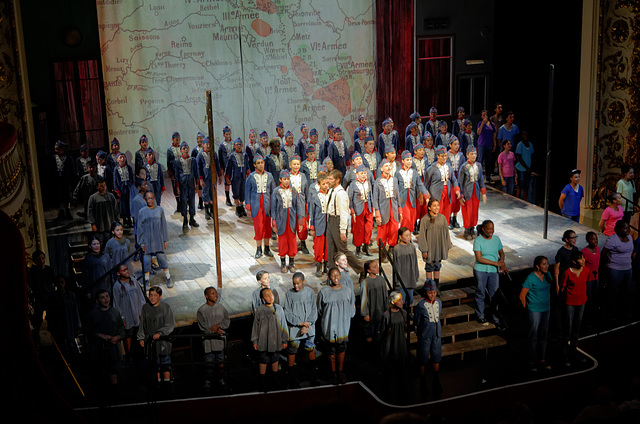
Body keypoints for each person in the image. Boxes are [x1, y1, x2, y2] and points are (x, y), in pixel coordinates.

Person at [317, 267, 355, 384]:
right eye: (333, 276)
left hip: (343, 324)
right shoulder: (324, 292)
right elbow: (320, 310)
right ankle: (333, 372)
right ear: (329, 278)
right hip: (330, 325)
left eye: (338, 275)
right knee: (331, 349)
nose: (336, 278)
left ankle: (340, 370)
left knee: (342, 347)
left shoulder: (347, 290)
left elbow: (351, 306)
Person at [284, 272, 318, 386]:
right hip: (295, 328)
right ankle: (291, 376)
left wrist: (307, 324)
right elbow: (287, 312)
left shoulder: (309, 292)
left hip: (309, 329)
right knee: (292, 350)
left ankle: (313, 375)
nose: (296, 286)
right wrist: (300, 323)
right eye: (294, 284)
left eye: (298, 283)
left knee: (310, 349)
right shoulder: (289, 294)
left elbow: (314, 310)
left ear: (303, 281)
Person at [326, 169, 364, 273]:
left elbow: (344, 213)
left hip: (337, 222)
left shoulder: (341, 194)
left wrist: (343, 230)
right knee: (331, 249)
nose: (328, 181)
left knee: (342, 250)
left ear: (337, 180)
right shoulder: (332, 191)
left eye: (331, 179)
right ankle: (332, 274)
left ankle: (361, 269)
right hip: (331, 220)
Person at [251, 287, 289, 392]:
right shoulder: (260, 310)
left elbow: (283, 325)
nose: (270, 297)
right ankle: (262, 383)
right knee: (263, 360)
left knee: (275, 359)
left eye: (271, 294)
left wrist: (284, 340)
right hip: (263, 340)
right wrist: (255, 340)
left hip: (275, 340)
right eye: (267, 295)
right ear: (263, 299)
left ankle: (275, 380)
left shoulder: (279, 309)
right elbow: (255, 326)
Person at [519, 256, 553, 372]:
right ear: (537, 266)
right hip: (534, 310)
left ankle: (542, 359)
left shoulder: (548, 275)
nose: (547, 266)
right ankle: (531, 361)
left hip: (546, 309)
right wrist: (527, 310)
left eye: (547, 263)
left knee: (543, 335)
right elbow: (522, 296)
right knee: (533, 335)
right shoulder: (531, 278)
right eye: (544, 264)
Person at [87, 289, 125, 388]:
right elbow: (88, 332)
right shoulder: (93, 314)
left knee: (114, 370)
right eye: (102, 297)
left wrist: (118, 337)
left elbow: (121, 327)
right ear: (97, 301)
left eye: (107, 296)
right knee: (101, 372)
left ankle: (114, 391)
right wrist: (101, 335)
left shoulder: (114, 312)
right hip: (99, 349)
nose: (106, 299)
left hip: (113, 348)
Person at [138, 286, 176, 385]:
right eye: (151, 295)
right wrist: (141, 338)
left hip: (163, 341)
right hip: (150, 341)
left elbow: (170, 324)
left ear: (160, 296)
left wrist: (160, 333)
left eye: (155, 295)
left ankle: (167, 383)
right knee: (154, 363)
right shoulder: (145, 308)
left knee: (165, 361)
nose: (152, 298)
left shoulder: (165, 307)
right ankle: (157, 382)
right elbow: (142, 324)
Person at [473, 220, 507, 329]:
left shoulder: (496, 239)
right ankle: (480, 315)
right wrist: (496, 263)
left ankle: (496, 318)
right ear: (483, 229)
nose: (491, 231)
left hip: (493, 271)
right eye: (489, 229)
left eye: (492, 228)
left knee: (495, 295)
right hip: (481, 270)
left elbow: (501, 252)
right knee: (481, 293)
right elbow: (479, 258)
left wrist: (501, 261)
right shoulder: (478, 240)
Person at [558, 250, 588, 366]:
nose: (583, 260)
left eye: (583, 258)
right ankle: (564, 354)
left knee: (576, 328)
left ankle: (573, 352)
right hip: (570, 303)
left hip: (581, 302)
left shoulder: (586, 270)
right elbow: (562, 288)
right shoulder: (567, 272)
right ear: (574, 261)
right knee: (568, 328)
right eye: (581, 258)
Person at [197, 287, 230, 390]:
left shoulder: (220, 307)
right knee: (209, 364)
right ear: (206, 296)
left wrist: (218, 326)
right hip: (209, 342)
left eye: (216, 293)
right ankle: (208, 381)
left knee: (221, 363)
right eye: (212, 293)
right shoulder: (201, 310)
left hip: (219, 342)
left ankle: (221, 379)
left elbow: (226, 320)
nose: (215, 295)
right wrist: (215, 330)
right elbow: (203, 327)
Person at [271, 170, 305, 273]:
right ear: (280, 180)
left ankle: (291, 263)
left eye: (288, 179)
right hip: (281, 220)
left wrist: (300, 220)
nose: (286, 181)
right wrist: (274, 221)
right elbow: (273, 208)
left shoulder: (293, 190)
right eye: (284, 179)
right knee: (282, 242)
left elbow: (298, 205)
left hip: (292, 220)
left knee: (292, 241)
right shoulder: (276, 191)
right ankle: (282, 263)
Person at [138, 191, 172, 288]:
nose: (150, 200)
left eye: (152, 198)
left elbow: (163, 226)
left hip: (158, 239)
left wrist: (165, 240)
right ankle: (147, 280)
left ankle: (168, 277)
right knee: (147, 260)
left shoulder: (160, 210)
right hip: (147, 240)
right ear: (145, 199)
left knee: (162, 259)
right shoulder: (142, 211)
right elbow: (139, 228)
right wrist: (141, 243)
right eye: (148, 198)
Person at [602, 220, 635, 320]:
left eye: (628, 228)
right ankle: (612, 312)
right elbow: (603, 255)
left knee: (626, 290)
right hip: (615, 269)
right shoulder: (612, 240)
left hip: (628, 268)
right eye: (624, 228)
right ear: (618, 229)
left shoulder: (629, 237)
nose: (627, 230)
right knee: (613, 291)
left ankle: (624, 310)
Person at [414, 279, 442, 394]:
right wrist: (421, 334)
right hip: (425, 335)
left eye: (434, 292)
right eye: (430, 293)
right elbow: (416, 322)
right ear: (425, 292)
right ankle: (423, 381)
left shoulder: (439, 303)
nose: (433, 295)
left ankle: (436, 379)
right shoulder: (421, 306)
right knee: (423, 357)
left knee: (436, 355)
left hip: (436, 334)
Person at [112, 263, 145, 359]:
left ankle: (141, 353)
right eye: (124, 270)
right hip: (127, 315)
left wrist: (142, 311)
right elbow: (116, 304)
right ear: (118, 273)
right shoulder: (117, 287)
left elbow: (141, 297)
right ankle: (130, 356)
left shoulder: (134, 281)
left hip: (137, 313)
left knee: (139, 333)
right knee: (128, 335)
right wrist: (121, 318)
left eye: (127, 269)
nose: (127, 271)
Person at [418, 199, 452, 292]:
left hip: (439, 247)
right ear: (429, 207)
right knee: (429, 267)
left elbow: (446, 233)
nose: (437, 207)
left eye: (438, 205)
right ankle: (429, 288)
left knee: (437, 265)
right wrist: (424, 250)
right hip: (430, 247)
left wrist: (447, 245)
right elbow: (422, 236)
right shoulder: (425, 219)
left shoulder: (442, 218)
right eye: (434, 206)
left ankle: (436, 287)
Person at [245, 154, 276, 259]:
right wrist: (248, 207)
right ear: (254, 165)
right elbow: (247, 192)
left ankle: (267, 247)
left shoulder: (270, 175)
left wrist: (273, 205)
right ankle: (259, 248)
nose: (260, 165)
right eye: (258, 163)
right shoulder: (251, 176)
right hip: (256, 205)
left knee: (267, 226)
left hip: (267, 204)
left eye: (262, 162)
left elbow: (273, 191)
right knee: (258, 227)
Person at [373, 160, 402, 262]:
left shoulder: (394, 180)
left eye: (389, 166)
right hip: (383, 209)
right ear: (382, 168)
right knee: (382, 231)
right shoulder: (378, 181)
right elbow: (375, 198)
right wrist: (377, 213)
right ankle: (382, 253)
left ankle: (391, 250)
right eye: (386, 166)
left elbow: (397, 195)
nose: (389, 168)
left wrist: (399, 210)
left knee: (394, 230)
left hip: (393, 209)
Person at [425, 145, 461, 225]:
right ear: (437, 156)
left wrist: (457, 190)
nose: (444, 158)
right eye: (442, 156)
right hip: (436, 193)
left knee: (447, 211)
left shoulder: (448, 166)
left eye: (445, 156)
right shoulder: (432, 168)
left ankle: (444, 227)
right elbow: (425, 183)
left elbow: (454, 180)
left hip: (447, 192)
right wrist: (426, 196)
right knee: (437, 211)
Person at [46, 275, 81, 357]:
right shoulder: (52, 297)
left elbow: (75, 310)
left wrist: (77, 325)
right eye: (58, 283)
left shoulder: (71, 295)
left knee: (71, 346)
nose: (61, 285)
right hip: (58, 324)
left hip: (69, 323)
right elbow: (50, 313)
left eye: (62, 282)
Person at [458, 147, 487, 239]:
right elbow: (460, 182)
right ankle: (467, 229)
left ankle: (472, 228)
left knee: (474, 211)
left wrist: (483, 193)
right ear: (467, 155)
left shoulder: (478, 165)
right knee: (468, 211)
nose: (473, 155)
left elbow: (481, 180)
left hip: (476, 191)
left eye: (475, 153)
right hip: (467, 192)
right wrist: (460, 195)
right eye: (471, 154)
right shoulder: (463, 167)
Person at [28, 251, 56, 345]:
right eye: (38, 259)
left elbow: (52, 282)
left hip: (49, 297)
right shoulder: (32, 272)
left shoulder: (49, 270)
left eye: (43, 258)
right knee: (38, 319)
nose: (41, 261)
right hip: (38, 298)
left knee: (51, 318)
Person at [397, 150, 428, 233]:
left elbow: (420, 184)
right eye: (407, 160)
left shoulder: (414, 172)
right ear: (402, 161)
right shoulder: (398, 172)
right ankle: (403, 235)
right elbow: (395, 187)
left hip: (412, 198)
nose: (409, 162)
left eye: (410, 160)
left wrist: (425, 195)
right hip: (403, 199)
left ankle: (408, 234)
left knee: (412, 217)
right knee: (405, 217)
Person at [348, 164, 374, 259]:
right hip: (358, 208)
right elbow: (350, 198)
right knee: (359, 229)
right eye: (361, 173)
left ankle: (366, 246)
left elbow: (371, 196)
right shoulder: (353, 184)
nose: (363, 175)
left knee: (369, 228)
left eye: (365, 173)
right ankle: (358, 248)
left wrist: (373, 207)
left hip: (368, 207)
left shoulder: (368, 182)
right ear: (357, 174)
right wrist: (352, 210)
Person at [360, 260, 389, 345]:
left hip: (380, 311)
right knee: (370, 335)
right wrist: (365, 313)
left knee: (380, 334)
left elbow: (385, 295)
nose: (377, 268)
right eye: (374, 267)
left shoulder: (381, 279)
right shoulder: (365, 282)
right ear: (369, 270)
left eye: (377, 266)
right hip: (371, 313)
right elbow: (364, 299)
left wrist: (386, 308)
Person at [309, 173, 331, 276]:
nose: (326, 186)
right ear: (319, 185)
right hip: (319, 225)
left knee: (328, 245)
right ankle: (318, 265)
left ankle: (327, 264)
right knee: (318, 246)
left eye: (327, 183)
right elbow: (311, 213)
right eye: (323, 184)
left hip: (330, 225)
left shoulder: (332, 194)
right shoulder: (315, 197)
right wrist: (312, 227)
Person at [175, 141, 200, 232]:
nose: (185, 150)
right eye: (183, 148)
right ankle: (185, 219)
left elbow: (196, 173)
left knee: (192, 201)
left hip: (191, 184)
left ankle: (192, 218)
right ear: (181, 150)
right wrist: (177, 187)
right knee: (184, 201)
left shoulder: (193, 160)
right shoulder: (178, 161)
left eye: (187, 148)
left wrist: (197, 184)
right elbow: (177, 175)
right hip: (183, 185)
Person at [288, 155, 309, 254]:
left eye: (298, 164)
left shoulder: (303, 176)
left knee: (302, 222)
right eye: (294, 164)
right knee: (291, 221)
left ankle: (303, 243)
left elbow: (306, 190)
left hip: (301, 201)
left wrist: (307, 202)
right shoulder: (286, 176)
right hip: (290, 201)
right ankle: (292, 244)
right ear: (290, 165)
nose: (296, 166)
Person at [393, 227, 419, 306]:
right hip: (401, 280)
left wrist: (416, 276)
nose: (408, 237)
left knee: (410, 300)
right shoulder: (397, 249)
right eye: (406, 235)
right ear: (400, 237)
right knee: (402, 301)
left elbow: (415, 262)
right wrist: (397, 281)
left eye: (409, 235)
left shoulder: (412, 246)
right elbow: (396, 266)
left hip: (410, 278)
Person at [81, 236, 111, 301]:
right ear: (90, 246)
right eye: (94, 244)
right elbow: (85, 276)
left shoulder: (106, 257)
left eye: (98, 244)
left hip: (106, 286)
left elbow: (110, 272)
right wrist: (87, 291)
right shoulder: (88, 259)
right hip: (94, 287)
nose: (96, 246)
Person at [380, 291, 408, 362]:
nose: (402, 301)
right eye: (399, 300)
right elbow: (383, 331)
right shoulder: (386, 315)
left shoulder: (404, 313)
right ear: (393, 301)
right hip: (391, 345)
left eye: (402, 299)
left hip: (401, 343)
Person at [53, 140, 76, 220]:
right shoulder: (54, 158)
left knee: (67, 196)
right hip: (58, 181)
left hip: (66, 180)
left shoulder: (68, 158)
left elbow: (72, 170)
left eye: (57, 149)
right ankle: (61, 211)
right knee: (59, 196)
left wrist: (71, 180)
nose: (56, 151)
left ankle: (67, 210)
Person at [225, 138, 248, 218]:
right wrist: (227, 177)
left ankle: (242, 206)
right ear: (234, 146)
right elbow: (228, 168)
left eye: (240, 145)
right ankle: (237, 207)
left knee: (242, 192)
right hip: (235, 177)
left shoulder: (245, 155)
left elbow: (247, 165)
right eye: (237, 145)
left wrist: (248, 173)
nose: (239, 146)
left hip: (243, 177)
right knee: (236, 192)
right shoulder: (232, 156)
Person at [446, 137, 465, 228]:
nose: (457, 146)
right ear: (450, 145)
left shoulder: (461, 155)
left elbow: (464, 167)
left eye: (458, 144)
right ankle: (449, 219)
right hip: (450, 179)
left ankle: (455, 218)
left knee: (458, 200)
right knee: (451, 200)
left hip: (459, 178)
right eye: (455, 144)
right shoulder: (446, 155)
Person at [197, 137, 217, 220]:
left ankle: (212, 210)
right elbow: (199, 168)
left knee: (212, 193)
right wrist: (201, 179)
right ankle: (206, 212)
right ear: (203, 145)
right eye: (206, 144)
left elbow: (217, 164)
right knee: (205, 193)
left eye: (209, 144)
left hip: (212, 177)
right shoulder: (200, 155)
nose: (208, 146)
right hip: (205, 178)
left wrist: (219, 175)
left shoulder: (213, 153)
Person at [113, 152, 135, 228]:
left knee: (129, 204)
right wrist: (117, 190)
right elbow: (115, 180)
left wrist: (132, 186)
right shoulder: (116, 169)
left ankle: (129, 219)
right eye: (121, 158)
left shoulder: (128, 168)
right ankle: (125, 220)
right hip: (121, 190)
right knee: (123, 205)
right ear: (117, 160)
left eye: (123, 157)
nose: (122, 159)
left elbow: (131, 178)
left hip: (128, 188)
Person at [582, 232, 600, 316]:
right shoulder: (584, 252)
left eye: (596, 239)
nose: (595, 241)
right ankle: (587, 314)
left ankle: (594, 313)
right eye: (592, 239)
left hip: (596, 277)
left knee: (595, 296)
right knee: (588, 297)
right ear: (587, 241)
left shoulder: (598, 249)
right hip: (588, 279)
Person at [476, 110, 496, 182]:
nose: (485, 116)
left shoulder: (492, 124)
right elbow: (478, 132)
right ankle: (478, 177)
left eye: (486, 115)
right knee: (480, 161)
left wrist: (494, 144)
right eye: (483, 115)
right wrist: (482, 123)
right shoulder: (480, 123)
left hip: (489, 144)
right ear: (481, 116)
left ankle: (488, 177)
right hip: (481, 145)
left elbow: (494, 134)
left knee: (488, 161)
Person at [515, 130, 534, 201]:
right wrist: (526, 167)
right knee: (520, 184)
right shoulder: (520, 145)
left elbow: (532, 156)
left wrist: (530, 167)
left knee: (526, 185)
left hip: (528, 168)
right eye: (524, 134)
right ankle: (518, 199)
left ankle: (525, 200)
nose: (525, 136)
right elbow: (519, 158)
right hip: (521, 168)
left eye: (526, 134)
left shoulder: (530, 144)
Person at [218, 126, 234, 207]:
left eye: (229, 134)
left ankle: (235, 197)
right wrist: (221, 168)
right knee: (227, 182)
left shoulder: (234, 143)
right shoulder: (222, 145)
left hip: (234, 166)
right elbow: (220, 157)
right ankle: (227, 198)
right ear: (224, 135)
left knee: (234, 182)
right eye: (226, 134)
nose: (228, 136)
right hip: (226, 166)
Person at [166, 132, 182, 212]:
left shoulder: (182, 148)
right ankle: (178, 204)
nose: (178, 141)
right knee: (175, 188)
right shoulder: (170, 150)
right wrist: (171, 173)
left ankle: (183, 204)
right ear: (172, 140)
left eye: (179, 139)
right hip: (174, 172)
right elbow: (168, 163)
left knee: (182, 187)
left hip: (182, 172)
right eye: (176, 140)